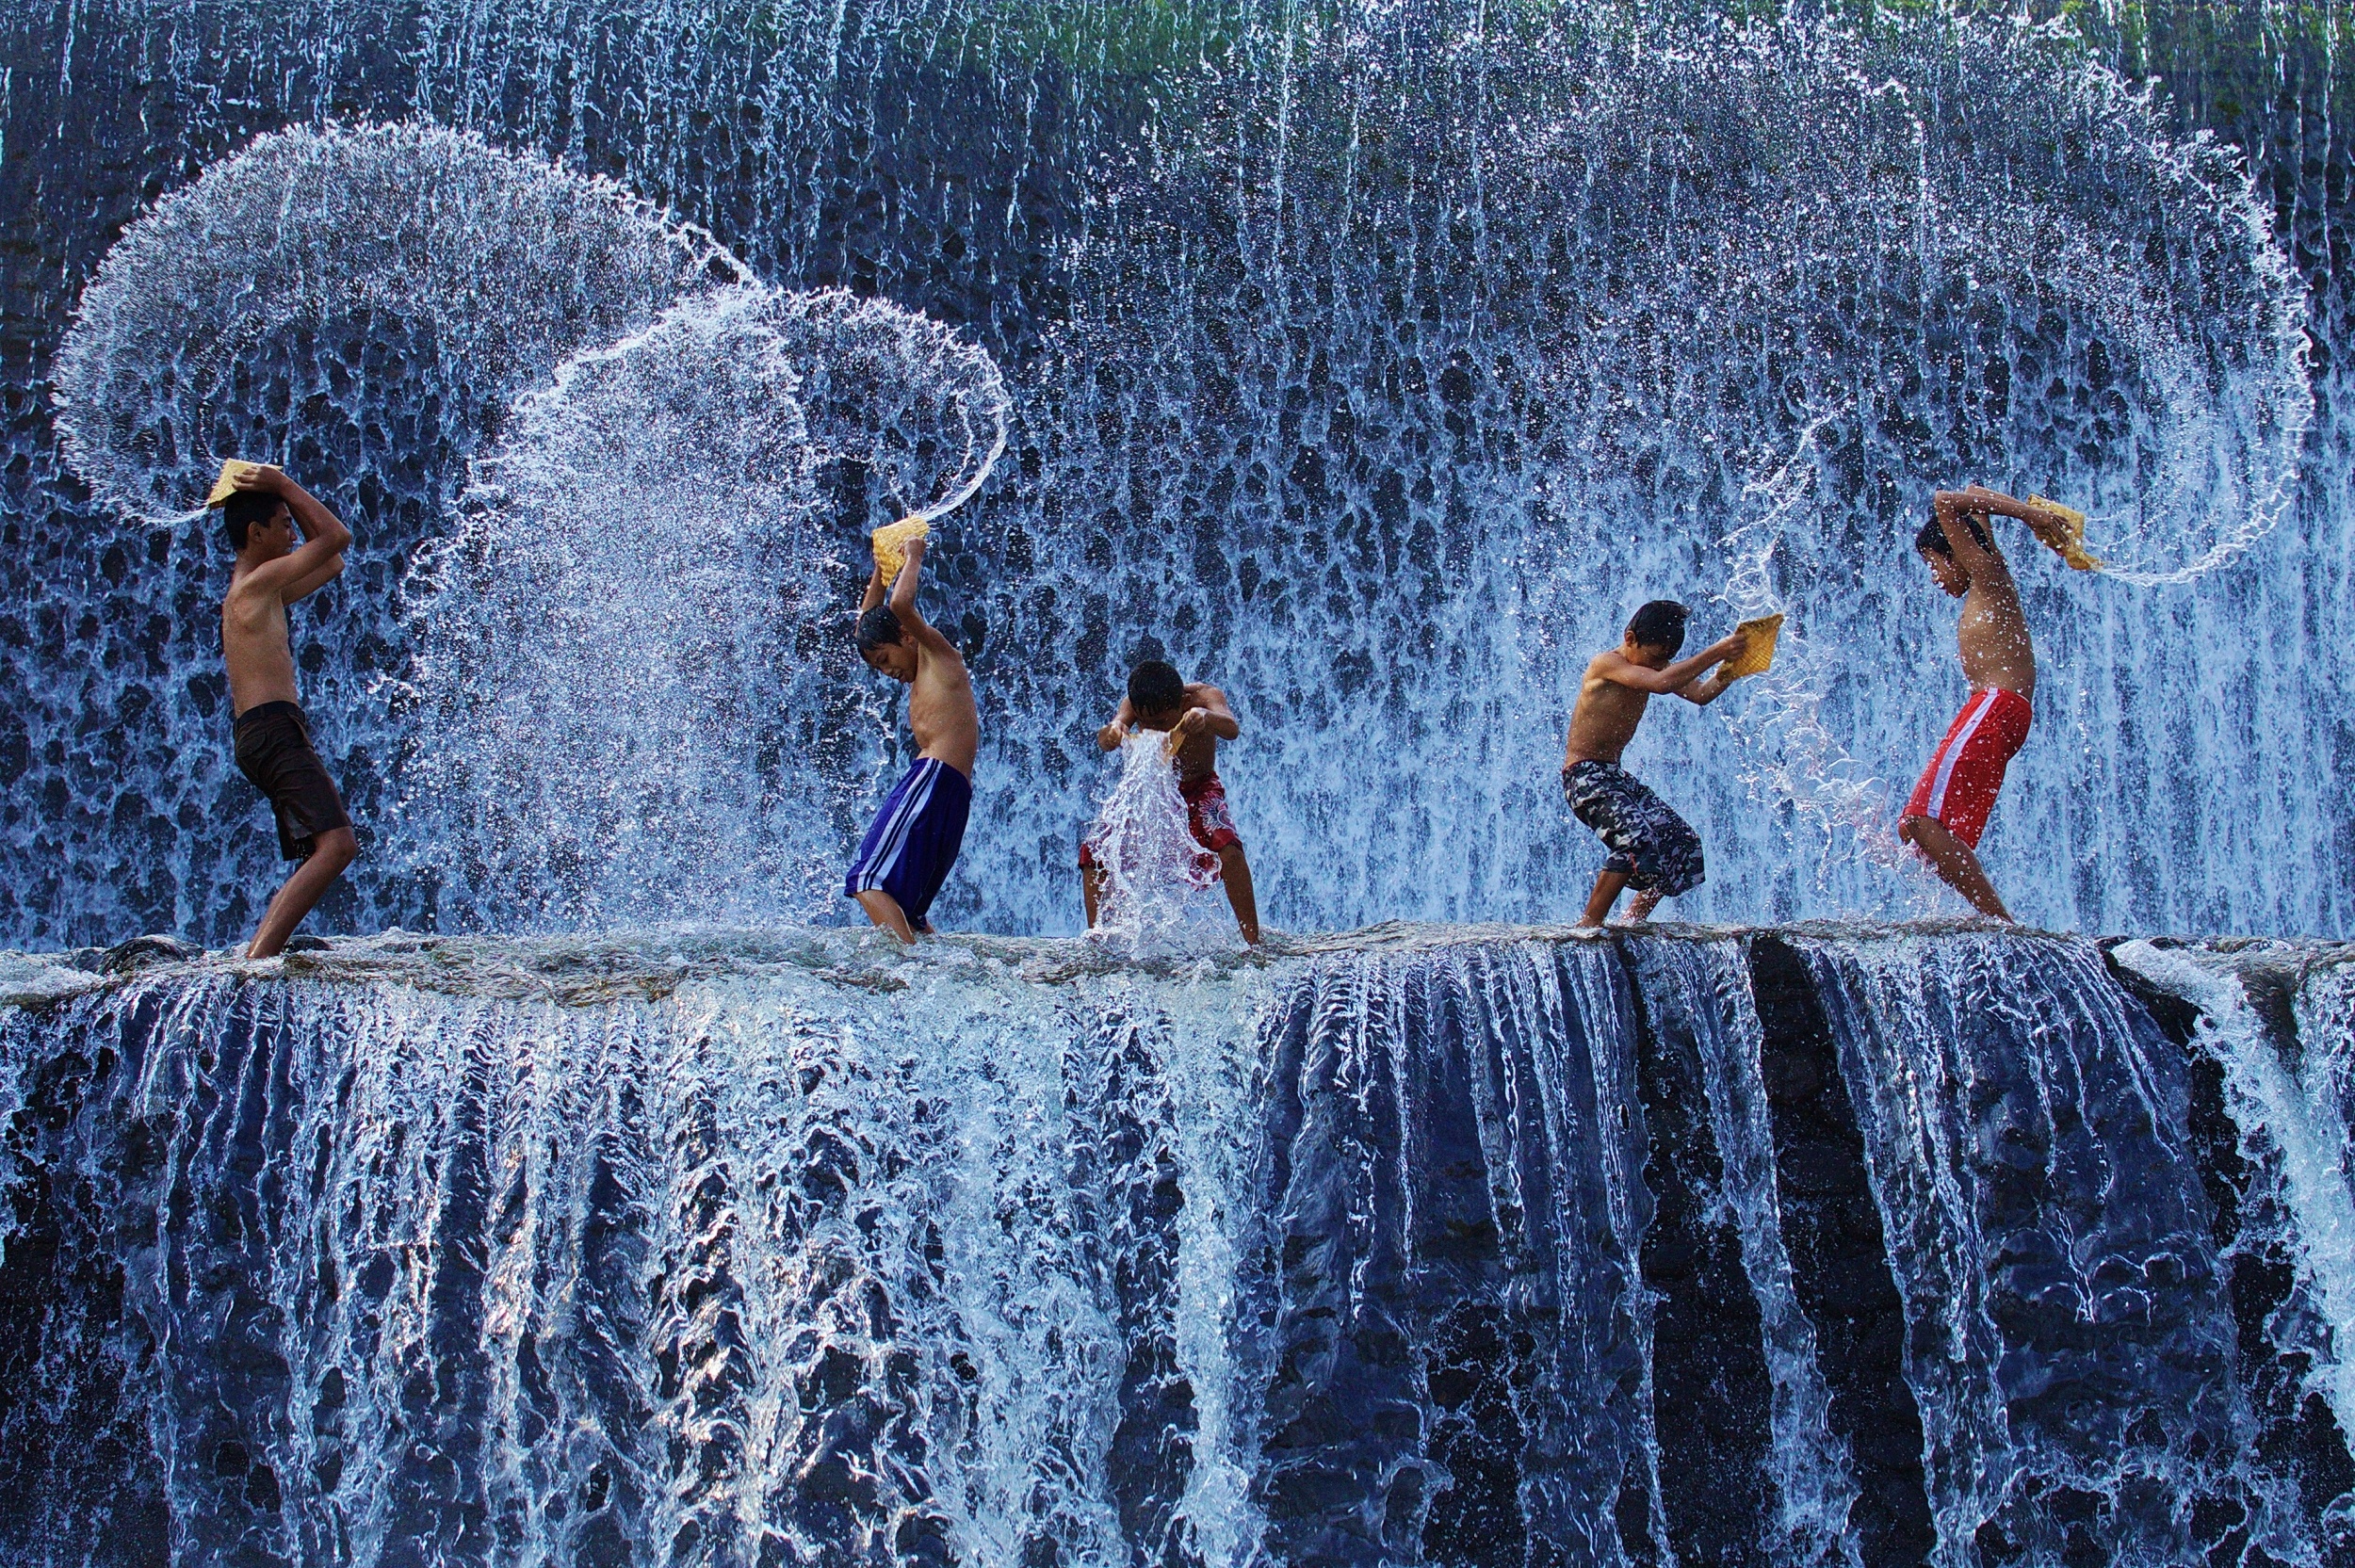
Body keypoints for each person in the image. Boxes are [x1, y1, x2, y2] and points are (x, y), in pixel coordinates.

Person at [1898, 484, 2071, 922]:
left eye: (1933, 564)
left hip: (1994, 706)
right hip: (1997, 710)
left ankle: (2001, 925)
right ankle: (1992, 920)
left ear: (1957, 553)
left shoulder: (1987, 574)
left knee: (1922, 822)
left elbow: (1945, 500)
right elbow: (1973, 494)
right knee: (1914, 831)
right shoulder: (1988, 576)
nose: (1935, 578)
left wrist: (2031, 516)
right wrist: (1999, 512)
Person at [218, 464, 358, 958]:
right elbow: (337, 535)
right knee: (338, 845)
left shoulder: (262, 589)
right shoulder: (256, 585)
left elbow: (332, 560)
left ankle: (261, 953)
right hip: (273, 730)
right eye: (283, 525)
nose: (293, 533)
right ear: (256, 534)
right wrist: (282, 485)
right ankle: (256, 963)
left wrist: (285, 498)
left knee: (326, 847)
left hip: (265, 732)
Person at [1562, 601, 1746, 928]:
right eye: (1656, 657)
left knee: (1681, 842)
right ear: (1630, 638)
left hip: (1613, 776)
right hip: (1585, 776)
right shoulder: (1606, 663)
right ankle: (1588, 925)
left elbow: (1701, 694)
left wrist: (1733, 667)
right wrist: (1717, 651)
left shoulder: (1655, 667)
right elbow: (1662, 684)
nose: (1660, 666)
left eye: (1665, 660)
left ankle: (1632, 921)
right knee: (1635, 840)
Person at [847, 534, 978, 942]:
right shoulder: (920, 666)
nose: (887, 672)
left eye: (885, 660)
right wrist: (880, 571)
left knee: (868, 880)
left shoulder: (939, 655)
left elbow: (901, 607)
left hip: (933, 778)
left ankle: (907, 970)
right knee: (910, 909)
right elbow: (867, 626)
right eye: (878, 667)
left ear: (906, 636)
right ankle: (929, 966)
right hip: (953, 792)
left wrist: (913, 556)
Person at [1080, 660, 1260, 944]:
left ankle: (1253, 941)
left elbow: (1231, 728)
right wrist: (1113, 730)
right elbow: (1106, 739)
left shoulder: (1203, 698)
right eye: (1146, 723)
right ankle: (1098, 941)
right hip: (1148, 789)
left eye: (1162, 722)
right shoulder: (1134, 702)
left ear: (1182, 704)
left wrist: (1206, 717)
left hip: (1197, 789)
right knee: (1094, 851)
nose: (1154, 731)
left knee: (1229, 849)